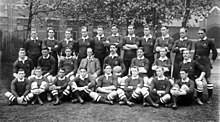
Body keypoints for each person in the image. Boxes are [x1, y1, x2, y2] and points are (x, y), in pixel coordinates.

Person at [193, 29, 218, 104]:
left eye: (201, 33)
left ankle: (210, 97)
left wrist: (211, 62)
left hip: (205, 61)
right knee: (197, 79)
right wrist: (193, 61)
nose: (200, 34)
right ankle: (199, 97)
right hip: (198, 62)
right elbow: (195, 53)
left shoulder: (209, 41)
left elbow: (215, 52)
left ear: (205, 33)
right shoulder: (197, 43)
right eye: (199, 33)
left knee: (208, 79)